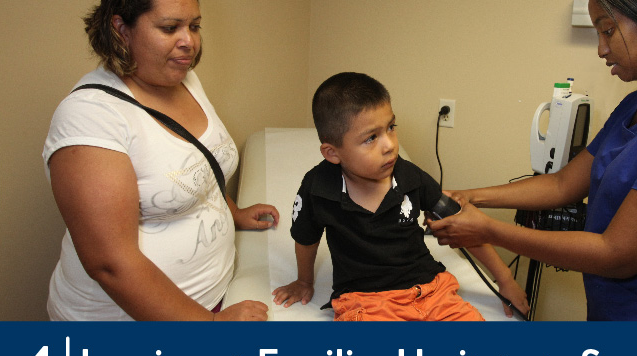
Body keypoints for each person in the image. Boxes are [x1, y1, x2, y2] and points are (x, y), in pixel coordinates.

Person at [428, 0, 637, 321]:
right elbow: (562, 184)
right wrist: (470, 196)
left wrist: (487, 230)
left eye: (608, 30)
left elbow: (618, 254)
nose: (601, 49)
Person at [42, 0, 278, 321]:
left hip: (212, 297)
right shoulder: (89, 117)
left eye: (194, 26)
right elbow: (109, 264)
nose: (189, 42)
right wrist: (211, 326)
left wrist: (233, 212)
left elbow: (196, 166)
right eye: (170, 28)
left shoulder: (183, 79)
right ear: (121, 29)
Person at [271, 72, 529, 321]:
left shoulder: (411, 177)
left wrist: (505, 280)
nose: (390, 144)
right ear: (332, 153)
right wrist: (304, 281)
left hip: (430, 290)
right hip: (365, 300)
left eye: (391, 127)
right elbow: (306, 238)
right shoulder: (318, 189)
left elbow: (464, 226)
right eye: (371, 138)